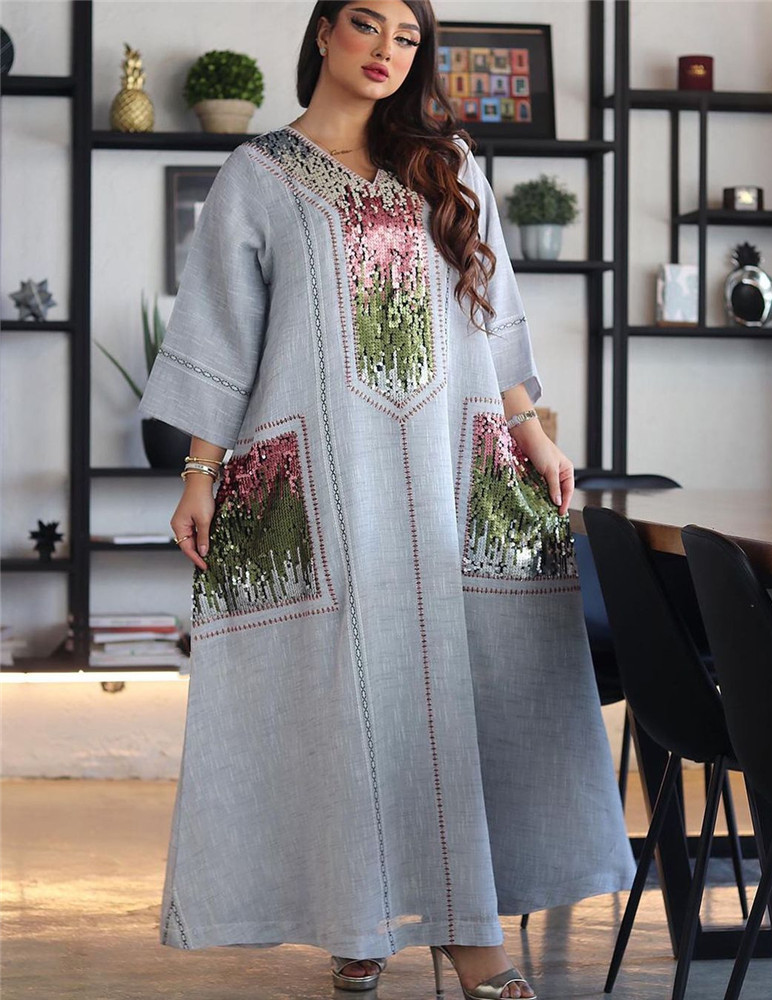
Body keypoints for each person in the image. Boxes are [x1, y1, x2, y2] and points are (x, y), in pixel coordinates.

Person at [139, 2, 635, 998]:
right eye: (367, 26)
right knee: (338, 696)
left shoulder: (445, 165)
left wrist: (531, 429)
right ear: (324, 32)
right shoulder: (259, 175)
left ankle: (468, 942)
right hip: (325, 482)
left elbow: (491, 314)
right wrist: (200, 475)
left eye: (407, 39)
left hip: (452, 472)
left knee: (456, 692)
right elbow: (225, 333)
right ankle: (355, 916)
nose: (386, 52)